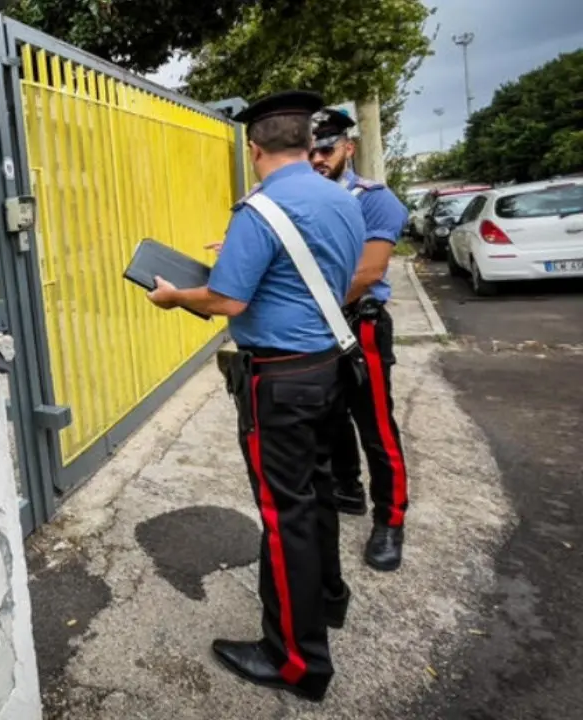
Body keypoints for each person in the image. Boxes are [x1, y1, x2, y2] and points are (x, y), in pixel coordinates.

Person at [147, 90, 366, 702]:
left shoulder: (261, 209)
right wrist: (242, 263)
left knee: (284, 514)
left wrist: (176, 296)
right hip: (329, 366)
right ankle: (328, 601)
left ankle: (298, 662)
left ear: (254, 148)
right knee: (318, 495)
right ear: (308, 142)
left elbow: (226, 301)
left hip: (282, 381)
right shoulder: (340, 198)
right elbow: (327, 274)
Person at [310, 108, 411, 571]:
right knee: (329, 417)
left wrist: (315, 309)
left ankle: (390, 522)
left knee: (375, 425)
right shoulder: (302, 199)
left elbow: (368, 273)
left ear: (348, 148)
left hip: (358, 323)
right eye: (310, 150)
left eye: (326, 149)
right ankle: (347, 490)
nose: (318, 159)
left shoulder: (373, 199)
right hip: (317, 325)